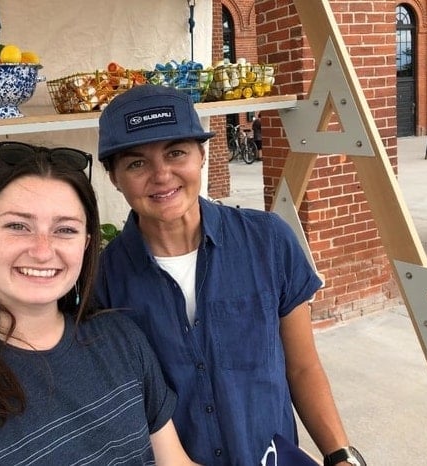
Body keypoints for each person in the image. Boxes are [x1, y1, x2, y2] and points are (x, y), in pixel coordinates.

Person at [95, 85, 366, 466]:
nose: (162, 175)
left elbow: (302, 366)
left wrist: (340, 455)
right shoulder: (103, 279)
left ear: (202, 155)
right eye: (136, 163)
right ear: (113, 177)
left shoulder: (268, 241)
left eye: (176, 153)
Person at [0, 141, 199, 465]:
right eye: (17, 226)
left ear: (86, 245)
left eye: (65, 229)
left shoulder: (122, 340)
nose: (42, 251)